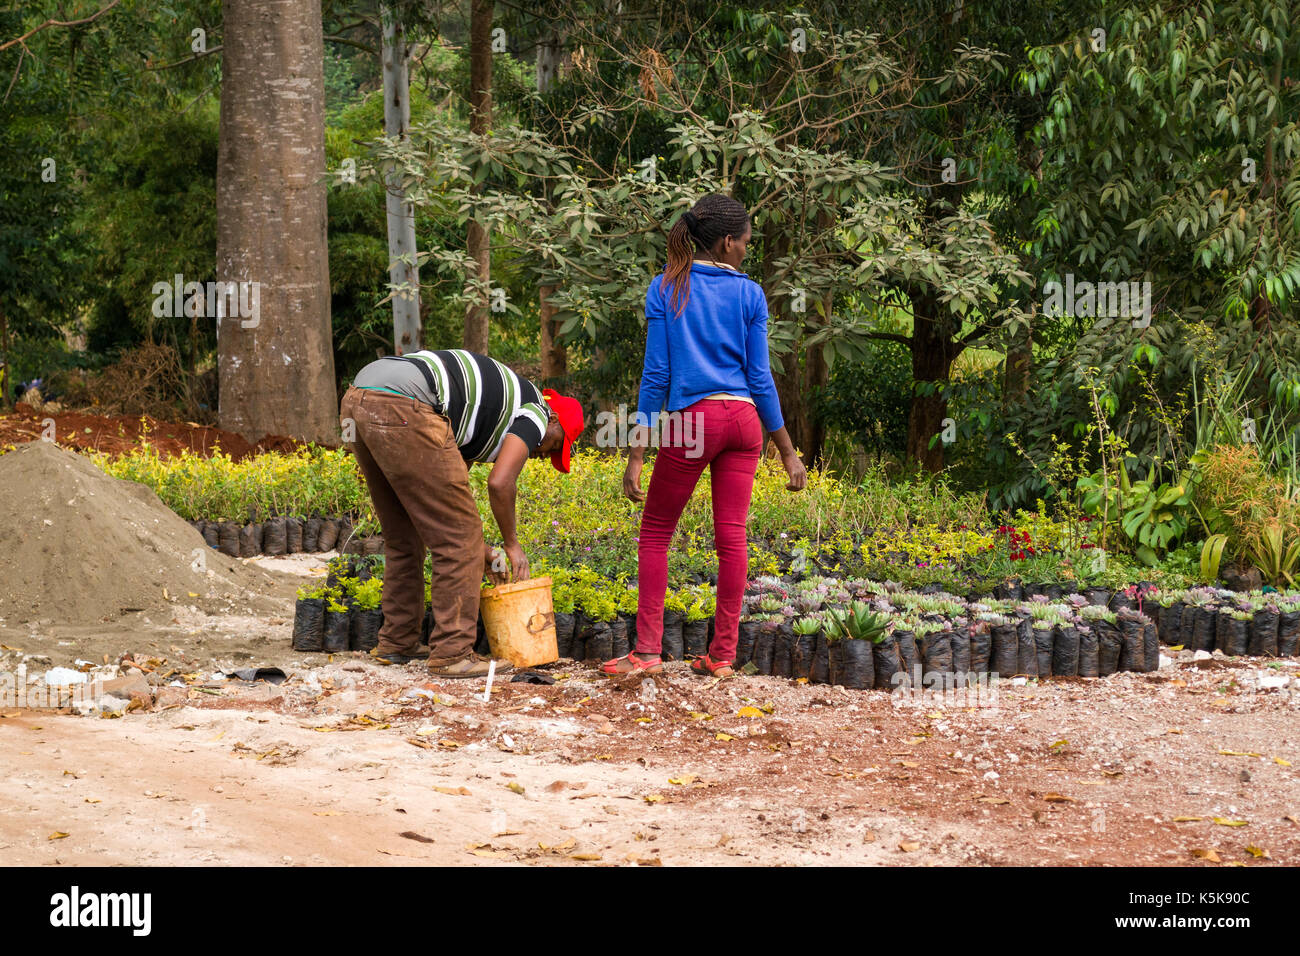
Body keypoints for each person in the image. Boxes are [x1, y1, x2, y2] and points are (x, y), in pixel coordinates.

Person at [604, 193, 806, 679]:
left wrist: (637, 452)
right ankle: (721, 657)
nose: (747, 251)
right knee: (732, 538)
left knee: (655, 533)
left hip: (693, 421)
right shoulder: (751, 295)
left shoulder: (667, 287)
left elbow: (656, 375)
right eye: (746, 243)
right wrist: (789, 454)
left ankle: (648, 652)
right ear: (727, 241)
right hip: (743, 424)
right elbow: (761, 380)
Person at [341, 349, 584, 677]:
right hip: (403, 404)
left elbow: (436, 509)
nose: (545, 454)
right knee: (461, 536)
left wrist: (481, 553)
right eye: (556, 445)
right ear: (554, 421)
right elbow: (499, 483)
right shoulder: (537, 412)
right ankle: (453, 653)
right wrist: (511, 545)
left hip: (360, 399)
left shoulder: (480, 422)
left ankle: (397, 642)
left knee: (405, 535)